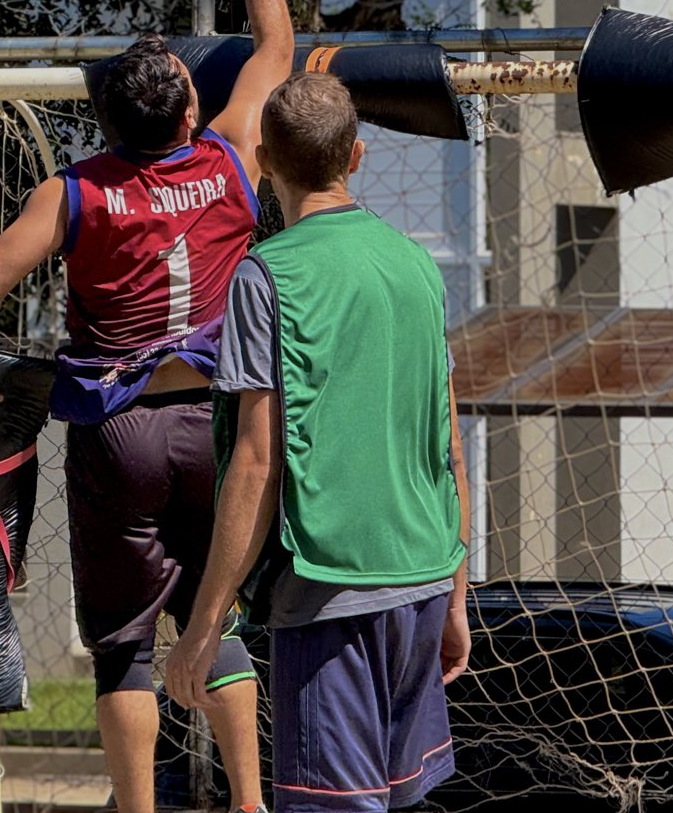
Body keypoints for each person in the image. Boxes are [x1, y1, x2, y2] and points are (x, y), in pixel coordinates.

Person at [0, 0, 290, 813]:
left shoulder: (77, 192)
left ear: (101, 123)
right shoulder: (230, 162)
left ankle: (136, 808)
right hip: (218, 426)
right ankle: (252, 803)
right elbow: (274, 46)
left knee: (126, 646)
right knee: (214, 619)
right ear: (190, 104)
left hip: (119, 431)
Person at [158, 72, 471, 813]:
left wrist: (205, 626)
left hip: (333, 590)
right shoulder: (416, 266)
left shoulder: (267, 276)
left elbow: (256, 463)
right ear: (356, 156)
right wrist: (456, 591)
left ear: (262, 161)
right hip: (423, 578)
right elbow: (447, 443)